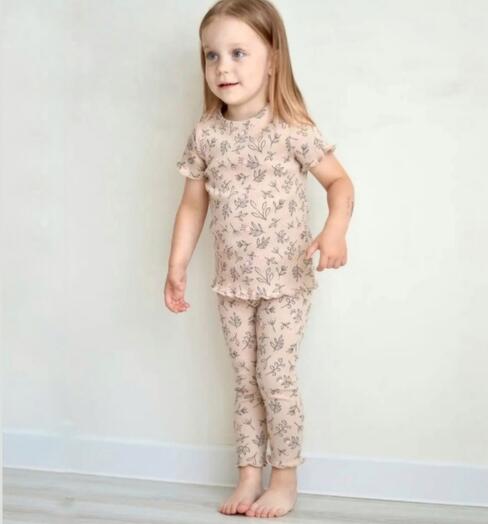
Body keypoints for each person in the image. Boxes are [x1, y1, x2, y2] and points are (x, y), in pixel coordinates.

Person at [164, 0, 354, 518]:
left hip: (286, 282)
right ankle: (248, 474)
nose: (222, 67)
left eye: (238, 53)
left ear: (273, 59)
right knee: (245, 379)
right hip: (232, 284)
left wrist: (334, 229)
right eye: (212, 55)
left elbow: (340, 182)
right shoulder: (207, 133)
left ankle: (284, 476)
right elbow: (192, 205)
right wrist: (177, 265)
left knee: (274, 377)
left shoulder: (292, 127)